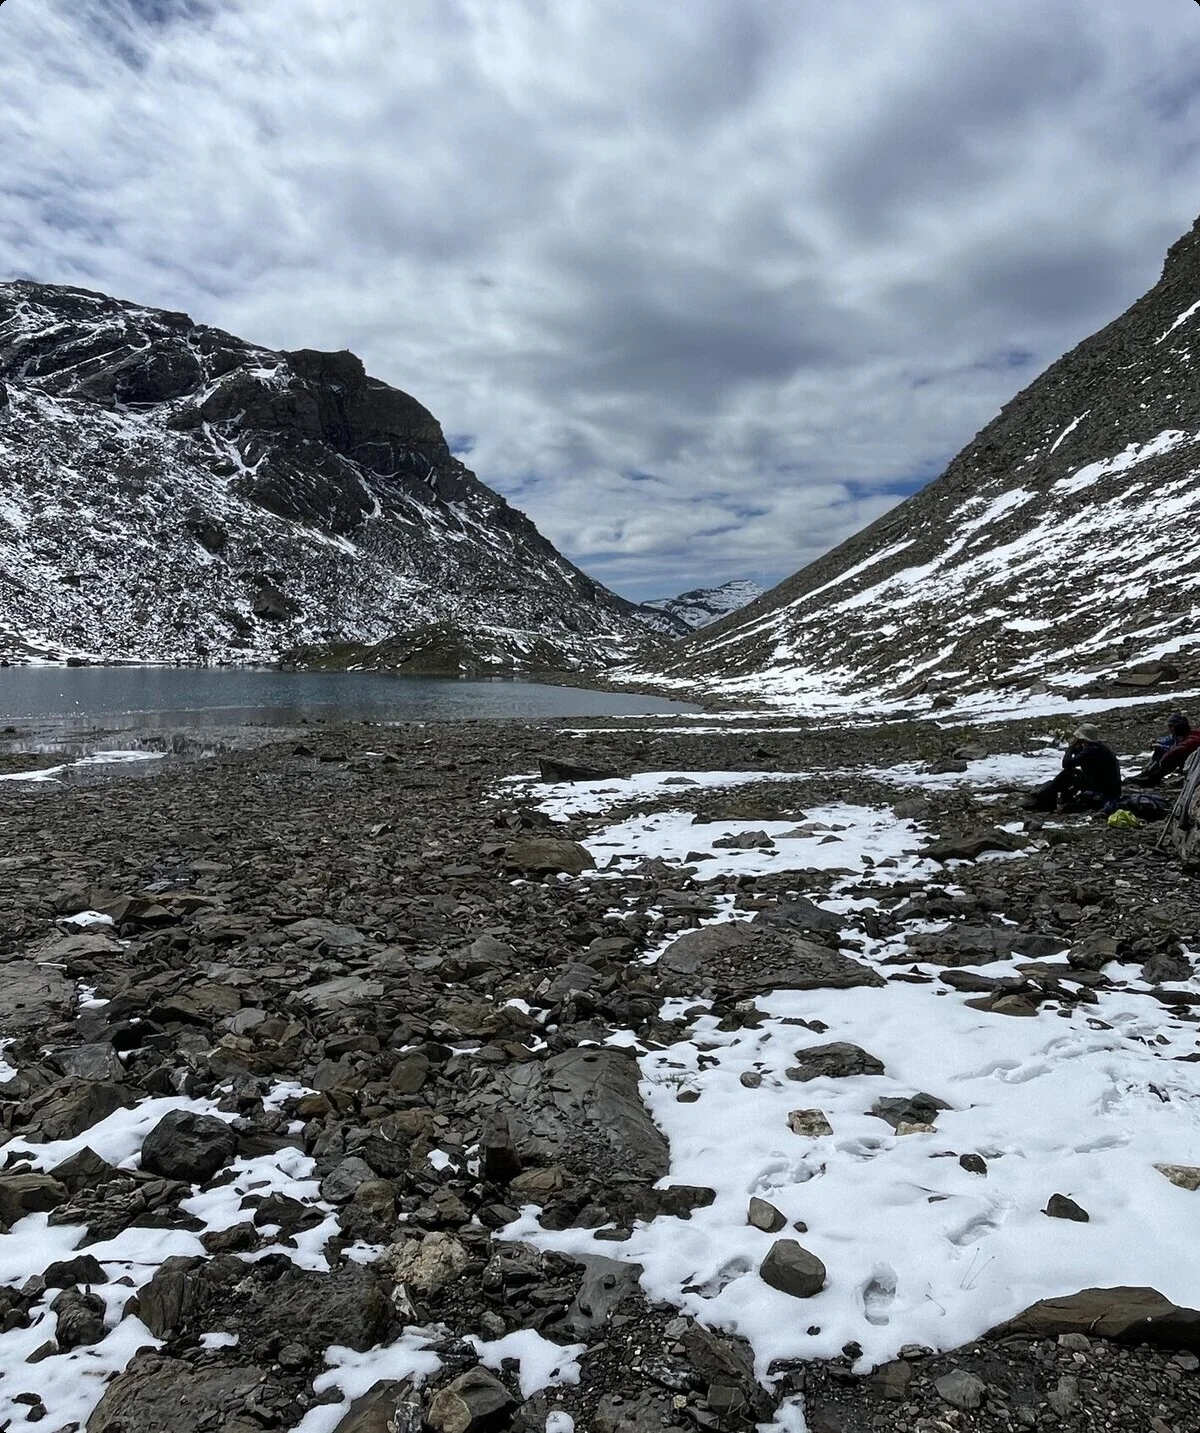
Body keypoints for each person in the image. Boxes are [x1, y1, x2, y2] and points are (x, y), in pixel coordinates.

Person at [1025, 723, 1122, 813]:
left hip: (1103, 791)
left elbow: (1066, 764)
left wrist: (1070, 748)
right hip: (1108, 788)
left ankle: (1045, 797)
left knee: (1068, 774)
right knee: (1072, 774)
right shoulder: (1099, 748)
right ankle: (1054, 797)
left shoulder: (1092, 750)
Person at [1128, 712, 1200, 786]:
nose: (1170, 729)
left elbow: (1178, 749)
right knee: (1159, 750)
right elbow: (1167, 741)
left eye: (1171, 726)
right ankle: (1145, 774)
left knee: (1169, 756)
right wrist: (1157, 743)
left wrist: (1163, 751)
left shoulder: (1192, 739)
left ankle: (1153, 778)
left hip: (1188, 763)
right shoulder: (1178, 736)